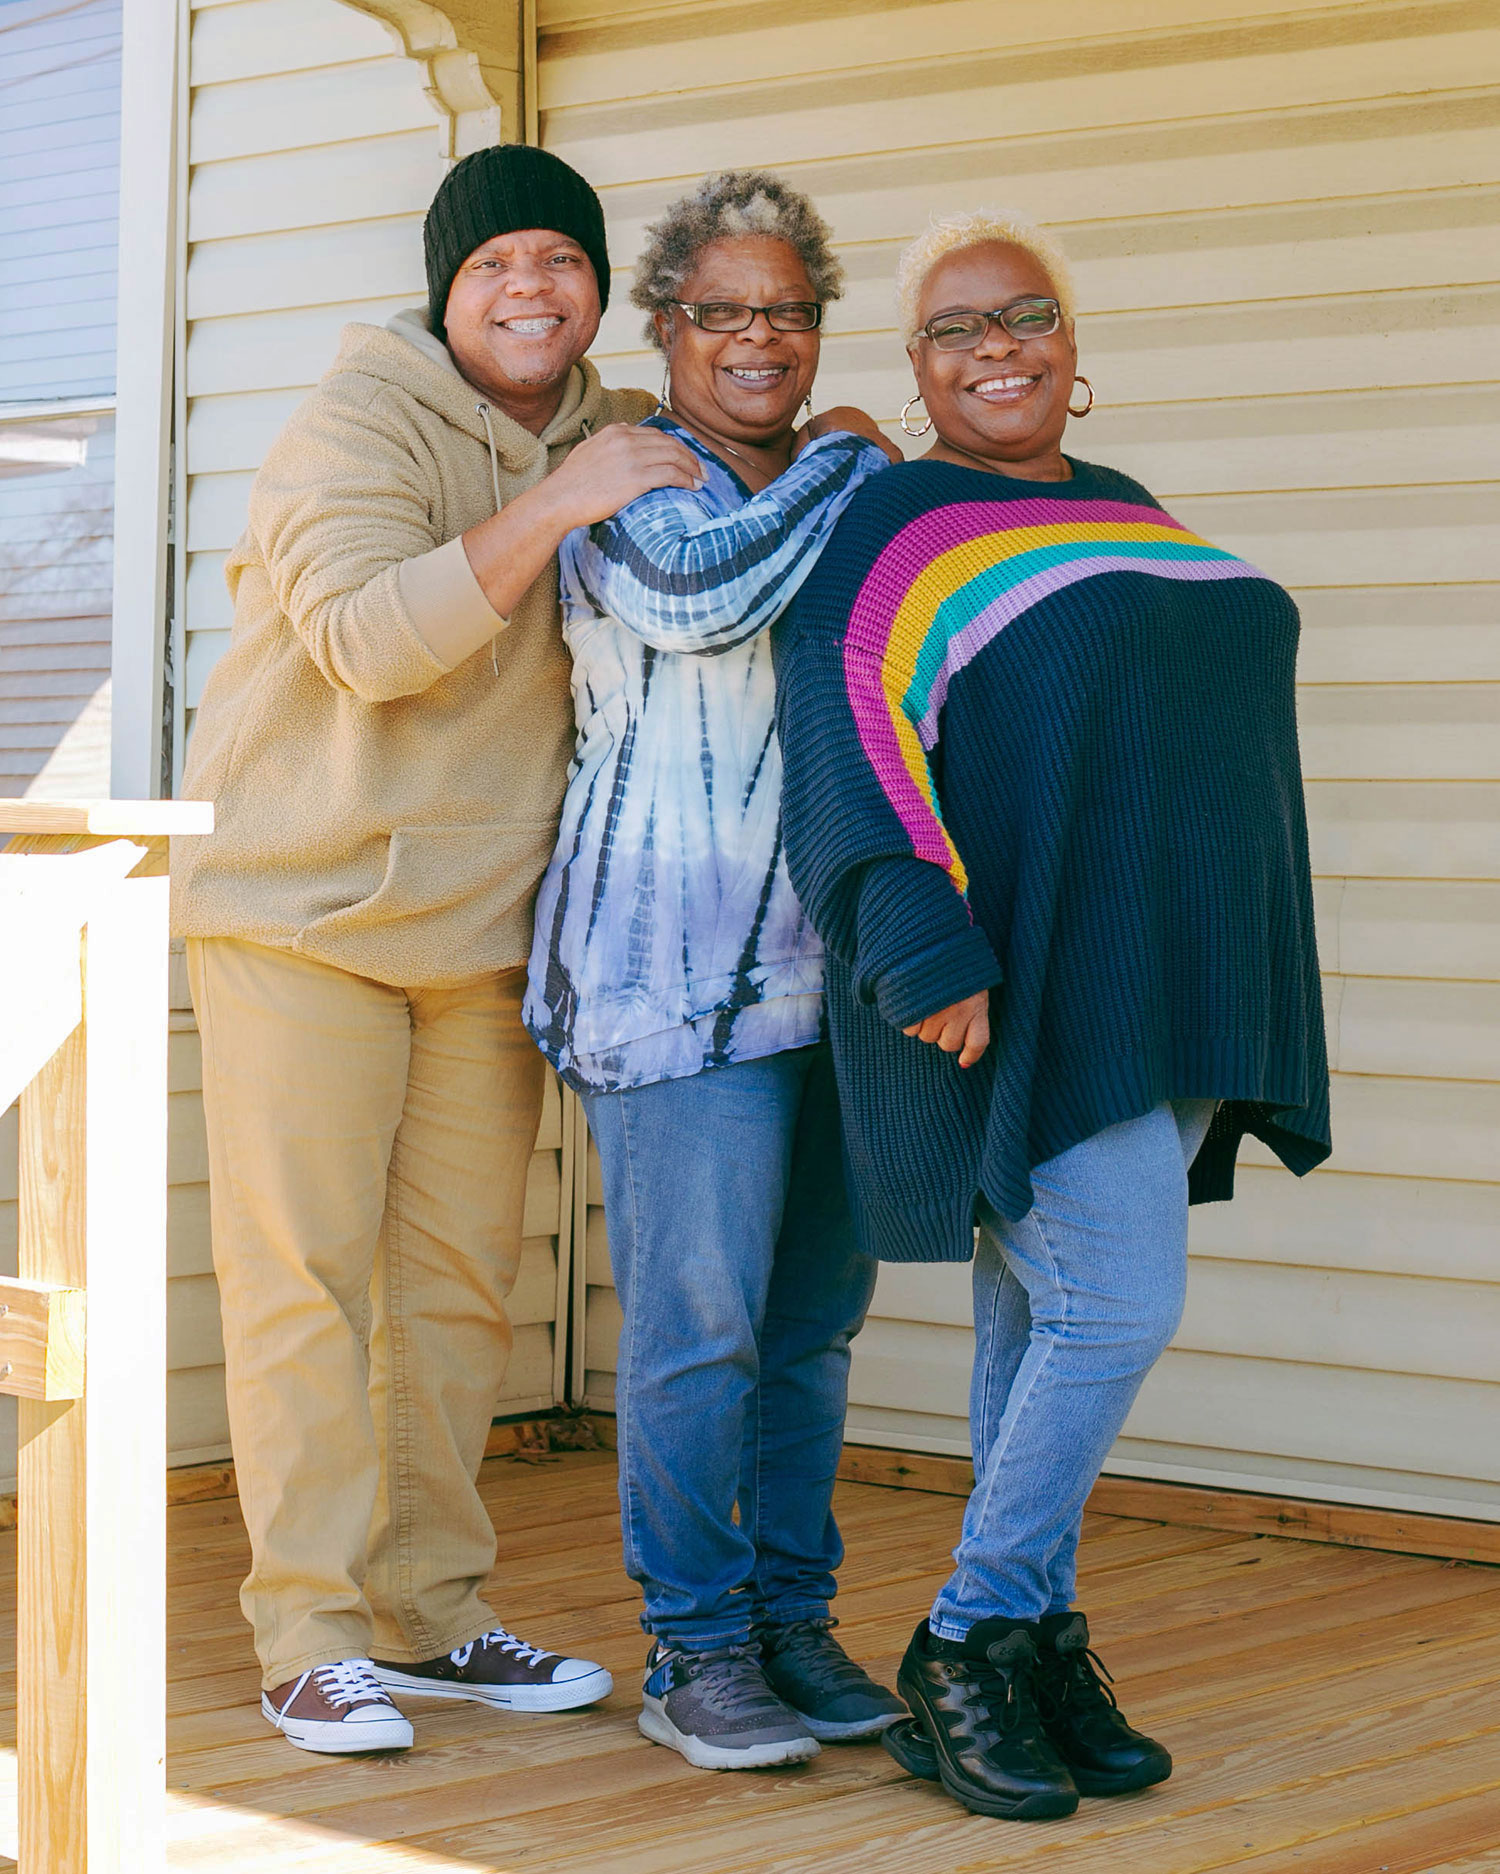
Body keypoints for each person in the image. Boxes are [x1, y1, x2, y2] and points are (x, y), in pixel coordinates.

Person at [775, 210, 1331, 1820]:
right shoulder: (898, 524)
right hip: (1018, 978)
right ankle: (966, 1635)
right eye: (957, 327)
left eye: (1027, 315)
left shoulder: (1121, 510)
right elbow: (848, 720)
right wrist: (917, 938)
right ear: (918, 367)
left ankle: (1031, 1642)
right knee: (1114, 1309)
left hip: (1155, 971)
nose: (998, 344)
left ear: (1075, 354)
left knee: (1040, 1321)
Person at [172, 145, 706, 1755]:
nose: (531, 285)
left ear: (597, 289)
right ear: (444, 287)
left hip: (484, 933)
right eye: (495, 264)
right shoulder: (358, 421)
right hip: (305, 913)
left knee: (459, 1290)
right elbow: (364, 639)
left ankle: (428, 1610)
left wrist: (830, 440)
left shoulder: (618, 428)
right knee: (309, 1284)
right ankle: (312, 1631)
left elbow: (729, 507)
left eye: (561, 257)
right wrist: (562, 501)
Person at [524, 170, 906, 1771]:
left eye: (789, 310)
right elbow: (699, 590)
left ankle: (789, 1621)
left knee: (812, 1324)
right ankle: (694, 1648)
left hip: (836, 976)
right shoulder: (627, 474)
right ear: (666, 325)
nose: (760, 337)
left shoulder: (826, 482)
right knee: (700, 1330)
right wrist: (846, 463)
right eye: (723, 309)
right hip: (668, 976)